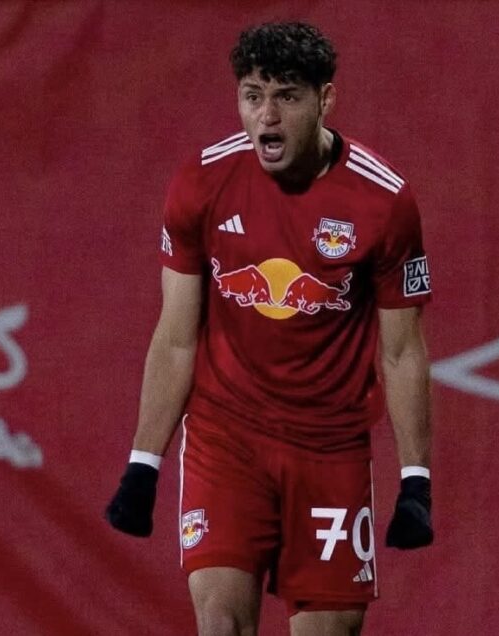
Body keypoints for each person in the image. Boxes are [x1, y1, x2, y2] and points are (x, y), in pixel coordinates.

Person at [106, 21, 434, 636]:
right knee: (220, 623)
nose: (267, 116)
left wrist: (416, 479)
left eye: (287, 96)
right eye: (253, 96)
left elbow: (402, 352)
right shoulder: (202, 183)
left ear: (325, 99)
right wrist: (142, 463)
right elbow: (176, 337)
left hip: (329, 447)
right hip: (227, 437)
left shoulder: (384, 202)